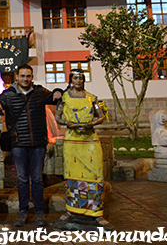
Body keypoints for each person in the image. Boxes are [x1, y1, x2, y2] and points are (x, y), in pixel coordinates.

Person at [0, 64, 62, 227]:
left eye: (28, 76)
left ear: (32, 77)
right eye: (22, 76)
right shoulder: (9, 95)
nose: (25, 79)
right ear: (17, 77)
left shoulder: (39, 92)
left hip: (38, 142)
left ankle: (39, 213)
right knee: (22, 179)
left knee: (37, 179)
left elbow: (54, 97)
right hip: (18, 143)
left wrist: (58, 91)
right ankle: (23, 212)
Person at [54, 69, 112, 228]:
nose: (78, 81)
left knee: (95, 175)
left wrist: (91, 124)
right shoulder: (64, 98)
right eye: (75, 78)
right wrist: (68, 124)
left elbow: (100, 116)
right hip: (72, 141)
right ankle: (72, 210)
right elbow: (57, 117)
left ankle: (96, 213)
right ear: (71, 80)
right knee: (72, 175)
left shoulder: (92, 98)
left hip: (89, 140)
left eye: (81, 78)